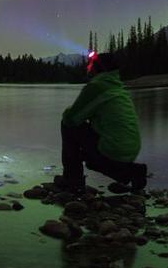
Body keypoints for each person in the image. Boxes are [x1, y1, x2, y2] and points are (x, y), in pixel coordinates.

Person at [54, 50, 147, 193]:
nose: (88, 66)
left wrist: (69, 112)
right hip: (130, 150)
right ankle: (133, 172)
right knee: (91, 160)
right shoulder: (117, 87)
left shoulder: (97, 87)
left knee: (67, 126)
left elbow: (71, 119)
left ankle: (72, 180)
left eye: (91, 64)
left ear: (99, 68)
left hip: (113, 149)